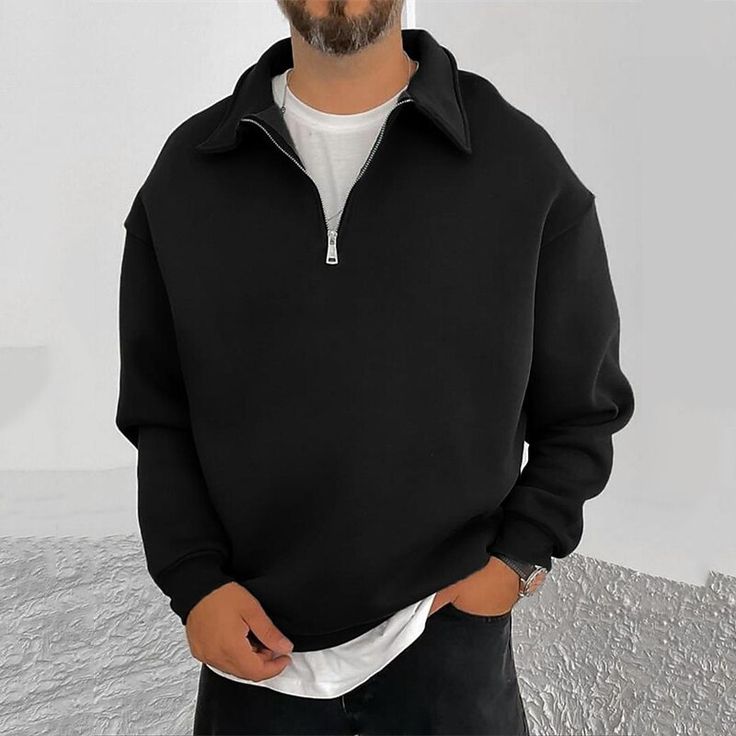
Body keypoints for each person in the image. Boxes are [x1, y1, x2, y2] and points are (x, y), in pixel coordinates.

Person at [114, 1, 636, 733]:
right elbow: (159, 413)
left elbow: (584, 408)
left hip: (448, 656)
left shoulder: (519, 166)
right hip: (252, 655)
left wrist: (516, 561)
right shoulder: (189, 175)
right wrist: (194, 583)